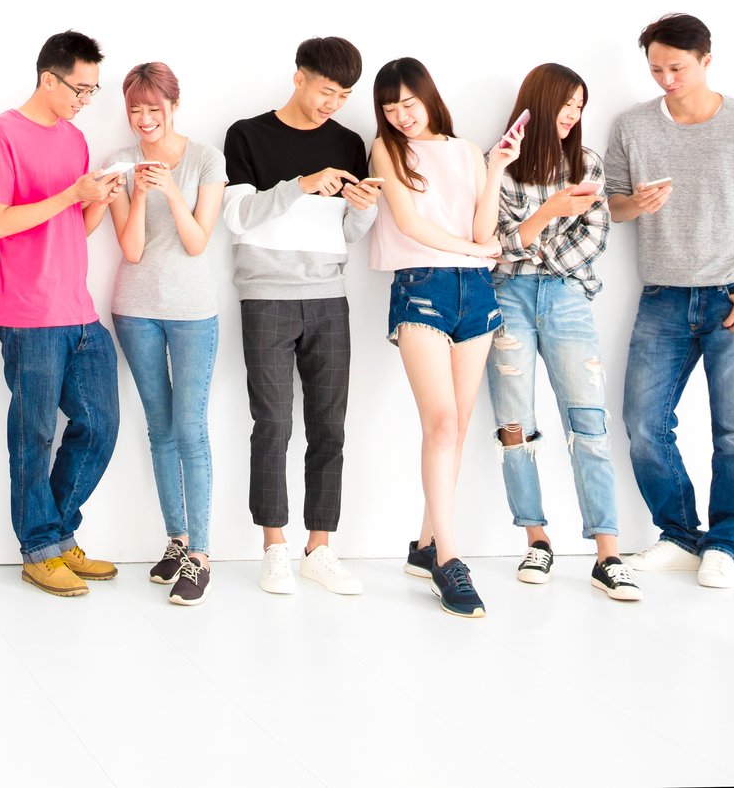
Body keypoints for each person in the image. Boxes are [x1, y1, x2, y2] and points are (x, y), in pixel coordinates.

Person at [609, 14, 734, 590]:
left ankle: (727, 542)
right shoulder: (632, 127)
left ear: (706, 60)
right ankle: (680, 536)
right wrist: (637, 204)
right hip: (663, 297)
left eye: (677, 68)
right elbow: (612, 208)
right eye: (656, 69)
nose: (666, 79)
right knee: (643, 423)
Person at [221, 37, 376, 597]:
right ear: (299, 78)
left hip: (329, 297)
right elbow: (238, 217)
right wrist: (301, 185)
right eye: (325, 91)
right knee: (274, 425)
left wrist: (363, 210)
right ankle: (274, 548)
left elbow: (347, 233)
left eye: (343, 95)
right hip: (266, 296)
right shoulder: (248, 135)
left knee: (329, 428)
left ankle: (320, 548)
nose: (332, 103)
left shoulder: (349, 142)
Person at [0, 31, 125, 599]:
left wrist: (97, 202)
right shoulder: (2, 134)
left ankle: (56, 535)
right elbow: (2, 223)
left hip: (79, 309)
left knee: (101, 427)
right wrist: (72, 196)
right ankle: (40, 548)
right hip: (28, 311)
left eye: (92, 91)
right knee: (34, 434)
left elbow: (77, 229)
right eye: (80, 89)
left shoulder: (76, 138)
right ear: (49, 78)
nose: (85, 100)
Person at [486, 64, 636, 601]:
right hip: (507, 300)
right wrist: (548, 216)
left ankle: (607, 553)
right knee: (513, 424)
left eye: (579, 106)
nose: (572, 116)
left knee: (588, 421)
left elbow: (595, 235)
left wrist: (532, 244)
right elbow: (493, 246)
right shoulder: (498, 166)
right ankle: (536, 537)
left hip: (569, 298)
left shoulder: (588, 164)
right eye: (565, 105)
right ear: (538, 105)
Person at [369, 57, 509, 619]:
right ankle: (451, 558)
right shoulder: (387, 150)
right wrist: (476, 253)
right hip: (422, 289)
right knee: (442, 424)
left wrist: (496, 168)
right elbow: (407, 224)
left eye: (408, 102)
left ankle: (425, 546)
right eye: (389, 107)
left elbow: (484, 228)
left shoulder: (465, 150)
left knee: (460, 424)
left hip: (476, 295)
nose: (400, 116)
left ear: (428, 96)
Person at [103, 63, 227, 607]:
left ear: (174, 105)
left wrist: (170, 189)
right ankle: (176, 541)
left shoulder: (205, 159)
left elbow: (198, 240)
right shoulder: (118, 165)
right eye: (135, 109)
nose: (145, 119)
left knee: (190, 427)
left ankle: (200, 554)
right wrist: (133, 189)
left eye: (155, 108)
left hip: (193, 312)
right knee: (160, 428)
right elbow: (131, 250)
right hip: (135, 310)